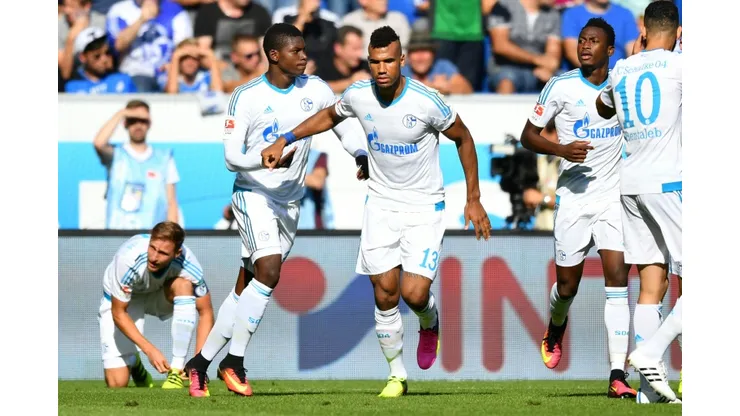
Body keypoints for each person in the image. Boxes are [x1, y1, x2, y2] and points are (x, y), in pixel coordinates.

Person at [261, 26, 491, 398]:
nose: (382, 68)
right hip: (381, 204)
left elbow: (463, 138)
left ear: (402, 60)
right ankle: (396, 375)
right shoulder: (358, 95)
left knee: (414, 294)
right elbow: (329, 117)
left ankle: (429, 322)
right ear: (368, 62)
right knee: (384, 293)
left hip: (424, 207)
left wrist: (473, 198)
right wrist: (285, 138)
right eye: (375, 61)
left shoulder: (427, 101)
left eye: (388, 61)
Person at [184, 23, 369, 398]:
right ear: (274, 55)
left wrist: (360, 153)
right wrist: (263, 160)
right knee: (269, 270)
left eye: (304, 50)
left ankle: (198, 364)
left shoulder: (315, 88)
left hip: (289, 202)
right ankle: (233, 362)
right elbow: (231, 157)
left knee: (246, 288)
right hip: (253, 194)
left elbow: (341, 125)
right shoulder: (246, 96)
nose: (304, 56)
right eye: (296, 51)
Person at [520, 17, 636, 399]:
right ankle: (556, 325)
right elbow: (527, 136)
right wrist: (561, 150)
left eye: (593, 41)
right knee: (567, 287)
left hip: (613, 197)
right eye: (582, 40)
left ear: (610, 50)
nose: (585, 46)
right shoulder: (561, 86)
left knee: (617, 279)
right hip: (573, 197)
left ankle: (617, 373)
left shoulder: (622, 84)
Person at [595, 0, 682, 403]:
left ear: (643, 31)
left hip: (629, 185)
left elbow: (603, 107)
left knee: (652, 282)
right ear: (678, 33)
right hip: (669, 183)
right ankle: (650, 352)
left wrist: (632, 62)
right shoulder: (681, 65)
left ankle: (649, 390)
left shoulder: (621, 69)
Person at [98, 221, 214, 389]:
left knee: (183, 285)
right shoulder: (127, 260)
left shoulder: (189, 264)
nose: (154, 257)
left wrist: (199, 365)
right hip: (124, 301)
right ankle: (134, 361)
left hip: (158, 294)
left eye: (163, 253)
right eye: (152, 248)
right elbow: (118, 313)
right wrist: (149, 350)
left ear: (177, 253)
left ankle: (176, 369)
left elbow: (206, 312)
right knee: (117, 383)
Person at [93, 99, 181, 229]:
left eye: (143, 120)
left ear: (149, 123)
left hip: (152, 236)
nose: (138, 125)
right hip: (117, 234)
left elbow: (171, 202)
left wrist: (173, 236)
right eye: (133, 120)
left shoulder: (164, 158)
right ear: (125, 123)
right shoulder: (116, 155)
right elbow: (98, 143)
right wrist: (122, 113)